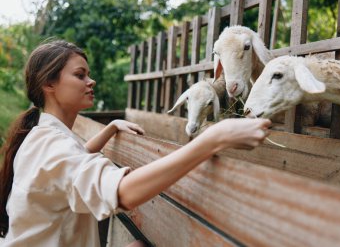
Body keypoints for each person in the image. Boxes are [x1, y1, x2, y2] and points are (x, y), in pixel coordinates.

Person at [0, 40, 271, 247]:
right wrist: (214, 138)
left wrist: (110, 128)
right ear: (49, 84)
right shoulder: (51, 146)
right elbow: (123, 193)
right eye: (80, 75)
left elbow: (74, 160)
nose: (91, 81)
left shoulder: (42, 136)